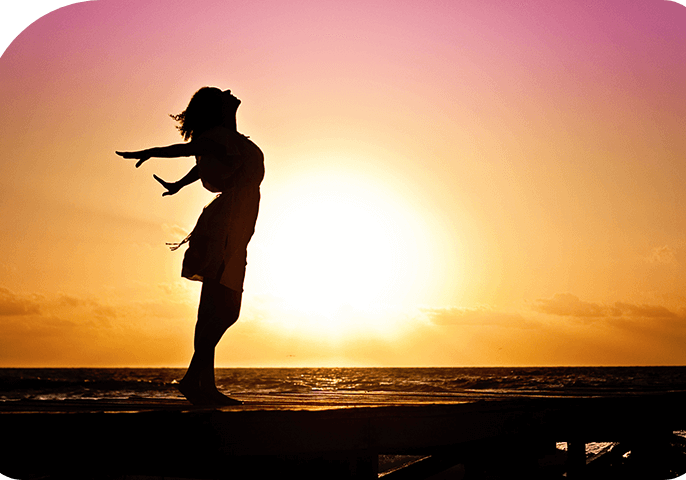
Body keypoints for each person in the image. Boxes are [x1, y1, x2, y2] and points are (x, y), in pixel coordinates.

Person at [117, 87, 264, 405]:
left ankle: (196, 381)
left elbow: (218, 159)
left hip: (231, 223)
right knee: (223, 308)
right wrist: (152, 152)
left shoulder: (227, 138)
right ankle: (198, 382)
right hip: (226, 227)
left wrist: (178, 184)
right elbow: (189, 151)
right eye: (222, 94)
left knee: (217, 307)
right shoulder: (221, 135)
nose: (229, 91)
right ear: (217, 109)